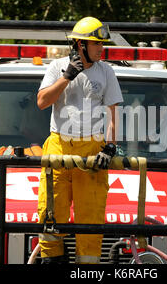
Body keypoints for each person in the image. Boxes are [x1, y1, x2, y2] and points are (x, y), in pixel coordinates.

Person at [36, 17, 123, 264]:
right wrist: (67, 76)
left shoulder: (106, 71)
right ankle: (53, 260)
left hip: (92, 150)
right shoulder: (57, 67)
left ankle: (88, 267)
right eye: (96, 44)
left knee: (91, 217)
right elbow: (42, 102)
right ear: (79, 44)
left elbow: (113, 116)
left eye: (101, 44)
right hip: (58, 147)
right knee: (50, 212)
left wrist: (110, 146)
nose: (101, 48)